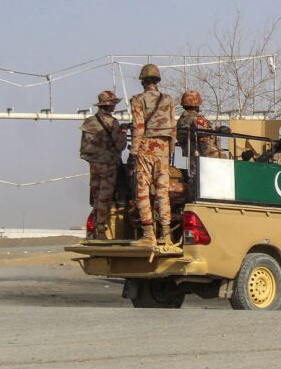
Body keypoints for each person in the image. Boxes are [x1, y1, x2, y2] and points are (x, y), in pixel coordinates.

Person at [128, 64, 177, 247]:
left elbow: (139, 127)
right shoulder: (168, 99)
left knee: (142, 190)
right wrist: (169, 149)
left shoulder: (138, 100)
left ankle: (148, 235)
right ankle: (166, 235)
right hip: (163, 148)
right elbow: (173, 128)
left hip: (146, 147)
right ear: (157, 80)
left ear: (143, 81)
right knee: (163, 191)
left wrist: (133, 152)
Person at [79, 90, 127, 240]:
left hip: (94, 165)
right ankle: (100, 231)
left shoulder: (89, 121)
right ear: (109, 105)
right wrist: (123, 132)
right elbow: (120, 145)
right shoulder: (112, 123)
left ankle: (94, 230)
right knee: (104, 199)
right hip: (108, 165)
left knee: (96, 197)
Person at [176, 90, 225, 159]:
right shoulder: (196, 118)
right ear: (197, 105)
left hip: (191, 154)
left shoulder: (181, 120)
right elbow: (203, 131)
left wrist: (217, 128)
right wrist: (220, 129)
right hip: (206, 155)